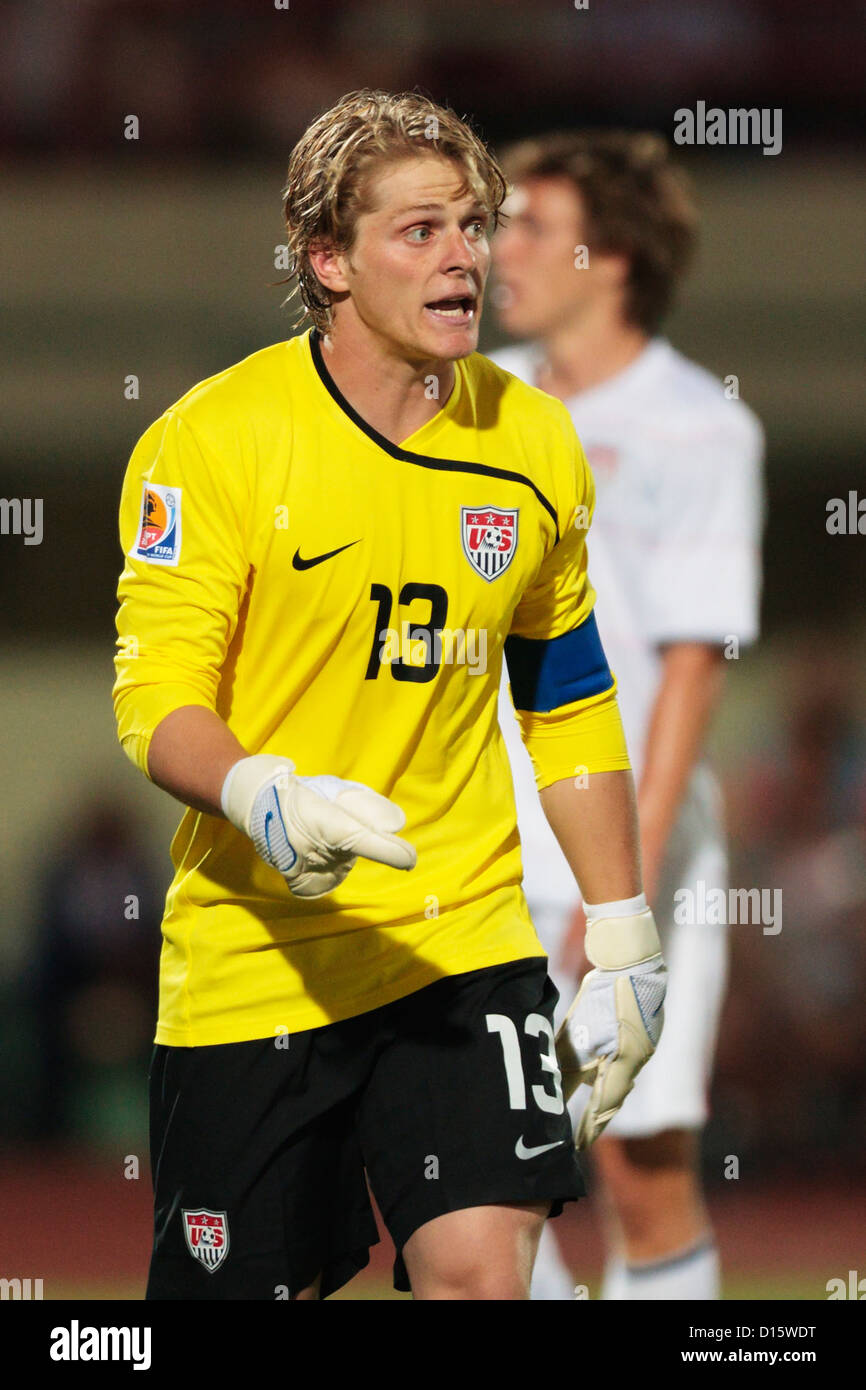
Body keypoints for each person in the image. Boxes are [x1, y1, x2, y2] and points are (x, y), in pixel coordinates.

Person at [112, 90, 665, 1302]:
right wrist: (261, 792)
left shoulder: (533, 443)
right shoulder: (213, 443)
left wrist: (622, 934)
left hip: (460, 939)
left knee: (478, 1273)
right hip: (258, 957)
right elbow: (157, 699)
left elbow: (563, 693)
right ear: (327, 260)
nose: (463, 253)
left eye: (473, 224)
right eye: (419, 230)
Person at [490, 130, 764, 1300]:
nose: (496, 247)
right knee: (485, 1179)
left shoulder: (700, 426)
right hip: (486, 842)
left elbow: (691, 672)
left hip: (628, 844)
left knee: (638, 1166)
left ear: (608, 258)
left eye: (529, 225)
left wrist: (621, 894)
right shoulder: (472, 403)